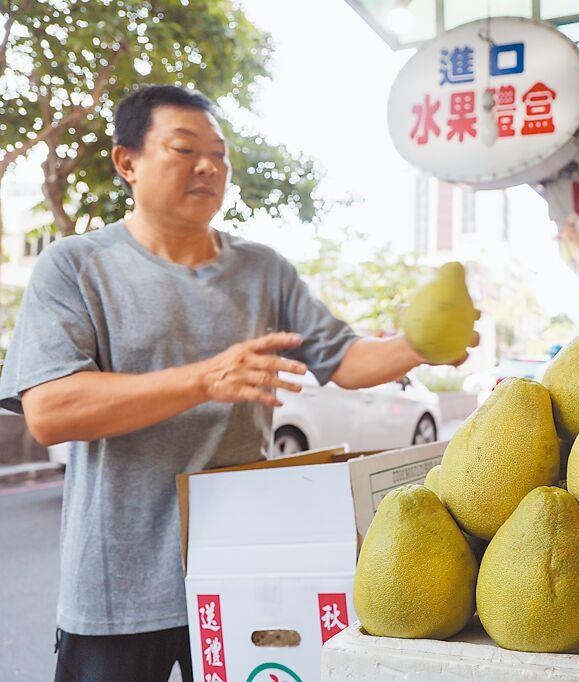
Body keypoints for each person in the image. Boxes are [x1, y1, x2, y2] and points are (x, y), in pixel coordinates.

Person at [0, 85, 473, 682]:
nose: (210, 167)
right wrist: (205, 379)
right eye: (184, 149)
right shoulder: (74, 266)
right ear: (127, 162)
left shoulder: (263, 270)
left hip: (246, 575)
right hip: (113, 592)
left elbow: (344, 359)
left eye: (220, 154)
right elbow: (51, 409)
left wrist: (419, 344)